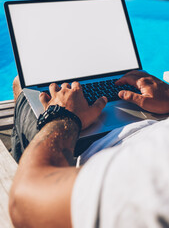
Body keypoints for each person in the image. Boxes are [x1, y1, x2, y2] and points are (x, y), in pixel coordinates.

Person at [9, 71, 169, 228]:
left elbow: (25, 202)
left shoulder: (153, 179)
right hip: (156, 117)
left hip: (83, 146)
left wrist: (61, 115)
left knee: (20, 82)